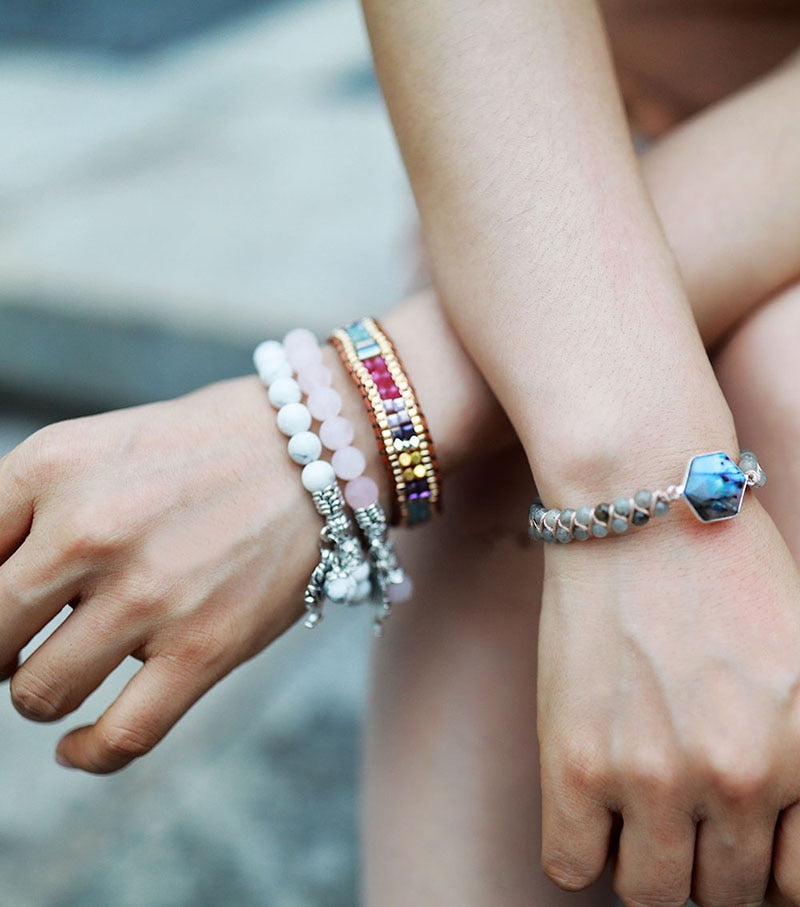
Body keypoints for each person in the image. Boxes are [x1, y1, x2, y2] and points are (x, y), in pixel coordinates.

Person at [0, 1, 799, 903]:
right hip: (544, 157)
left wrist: (333, 422)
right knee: (523, 451)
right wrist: (353, 423)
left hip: (573, 195)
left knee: (776, 377)